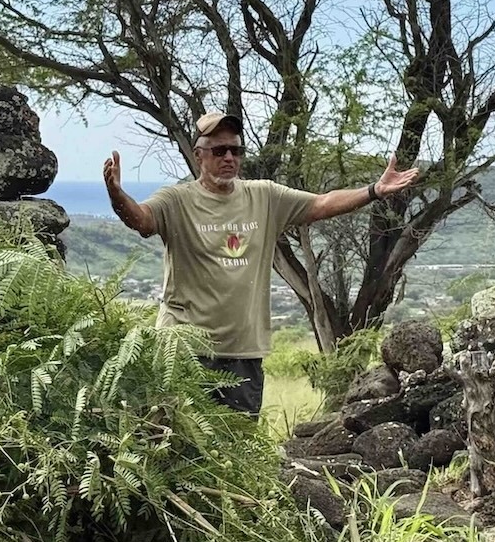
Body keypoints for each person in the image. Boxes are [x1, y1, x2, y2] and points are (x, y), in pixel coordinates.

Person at [102, 111, 420, 416]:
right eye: (219, 151)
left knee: (238, 443)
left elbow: (322, 203)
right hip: (184, 350)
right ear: (199, 156)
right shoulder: (177, 200)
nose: (229, 157)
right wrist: (117, 196)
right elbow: (142, 220)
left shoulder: (264, 196)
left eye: (236, 150)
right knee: (179, 441)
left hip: (243, 352)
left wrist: (374, 190)